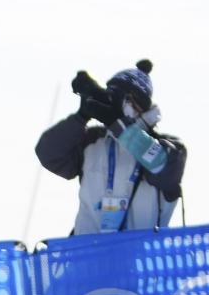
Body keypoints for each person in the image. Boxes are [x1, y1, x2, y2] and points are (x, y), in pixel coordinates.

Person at [37, 60, 186, 235]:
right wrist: (81, 117)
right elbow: (48, 153)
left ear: (141, 107)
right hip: (88, 256)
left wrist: (116, 122)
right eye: (110, 97)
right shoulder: (92, 142)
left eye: (124, 99)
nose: (113, 104)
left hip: (139, 258)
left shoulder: (170, 149)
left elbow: (160, 164)